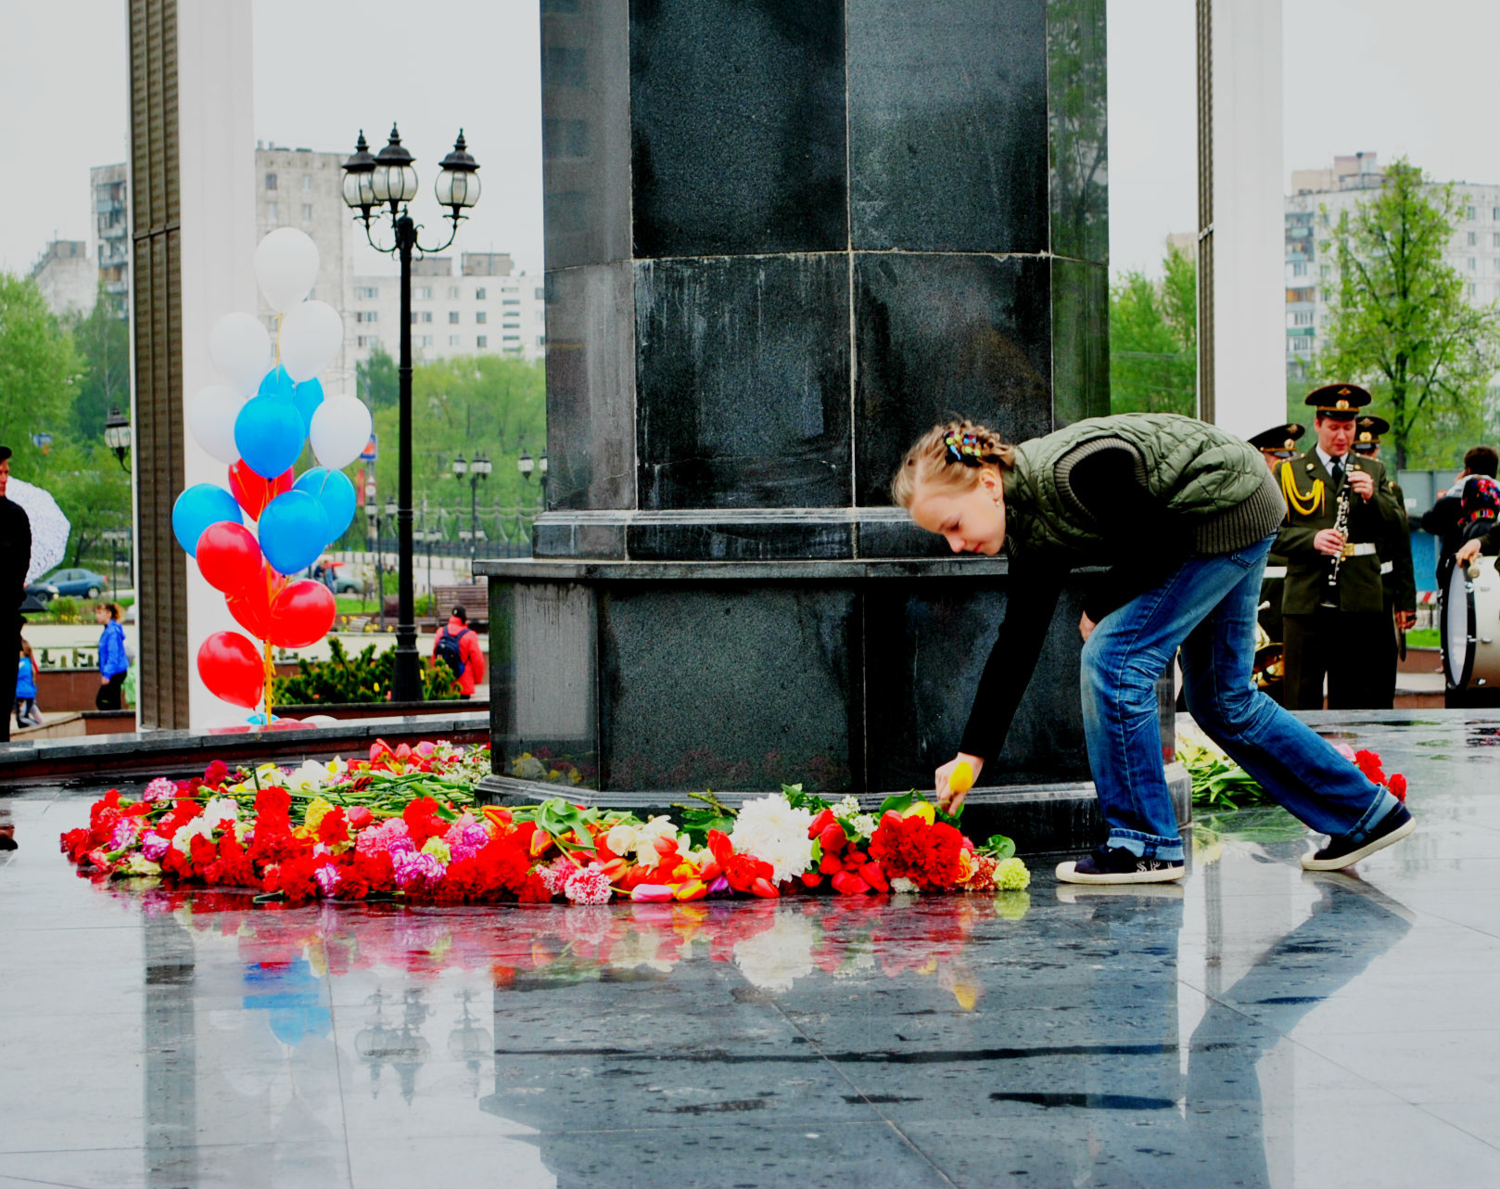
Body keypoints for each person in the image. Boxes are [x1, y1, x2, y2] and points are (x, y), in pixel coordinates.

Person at [892, 412, 1414, 884]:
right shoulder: (1030, 525)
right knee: (1223, 702)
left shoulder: (1074, 472)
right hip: (1240, 506)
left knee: (1114, 661)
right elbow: (1018, 642)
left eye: (953, 526)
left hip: (1220, 512)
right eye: (945, 537)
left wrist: (1099, 606)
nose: (956, 545)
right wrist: (972, 754)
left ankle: (1144, 842)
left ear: (988, 484)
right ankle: (1368, 815)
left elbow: (1162, 539)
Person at [1273, 385, 1404, 710]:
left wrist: (1373, 498)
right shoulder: (1288, 472)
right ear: (1318, 425)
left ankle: (1352, 763)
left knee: (1357, 699)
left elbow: (1396, 527)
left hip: (1358, 602)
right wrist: (1311, 540)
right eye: (1334, 427)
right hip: (1307, 600)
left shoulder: (1373, 470)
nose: (1342, 436)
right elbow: (1270, 535)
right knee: (1301, 698)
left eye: (1349, 427)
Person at [1351, 415, 1416, 707]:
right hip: (1349, 585)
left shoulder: (1390, 489)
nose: (1366, 457)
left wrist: (1406, 600)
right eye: (1360, 452)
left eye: (1371, 451)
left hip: (1383, 585)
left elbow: (1402, 543)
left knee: (1383, 665)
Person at [1245, 421, 1305, 704]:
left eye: (1292, 459)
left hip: (1291, 601)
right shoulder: (1249, 494)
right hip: (1260, 600)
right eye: (1281, 459)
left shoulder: (1300, 493)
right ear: (1261, 457)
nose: (1288, 466)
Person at [1421, 445, 1499, 593]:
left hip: (1455, 573)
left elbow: (1428, 523)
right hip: (1493, 574)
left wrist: (1453, 489)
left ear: (1467, 470)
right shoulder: (1497, 498)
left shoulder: (1452, 498)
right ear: (1495, 471)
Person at [0, 445, 32, 746]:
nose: (4, 477)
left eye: (6, 471)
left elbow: (20, 565)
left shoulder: (15, 517)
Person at [431, 605, 486, 699]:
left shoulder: (440, 632)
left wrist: (438, 677)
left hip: (445, 684)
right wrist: (477, 680)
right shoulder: (470, 635)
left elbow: (435, 657)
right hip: (463, 685)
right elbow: (477, 660)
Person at [94, 602, 129, 710]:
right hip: (115, 670)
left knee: (102, 700)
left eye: (100, 612)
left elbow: (113, 655)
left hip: (115, 671)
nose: (97, 615)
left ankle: (116, 723)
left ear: (109, 614)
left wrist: (107, 675)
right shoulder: (108, 630)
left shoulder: (112, 632)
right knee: (113, 700)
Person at [15, 638, 41, 729]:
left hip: (23, 695)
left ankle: (39, 727)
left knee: (21, 718)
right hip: (26, 694)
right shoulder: (28, 662)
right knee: (23, 716)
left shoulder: (22, 664)